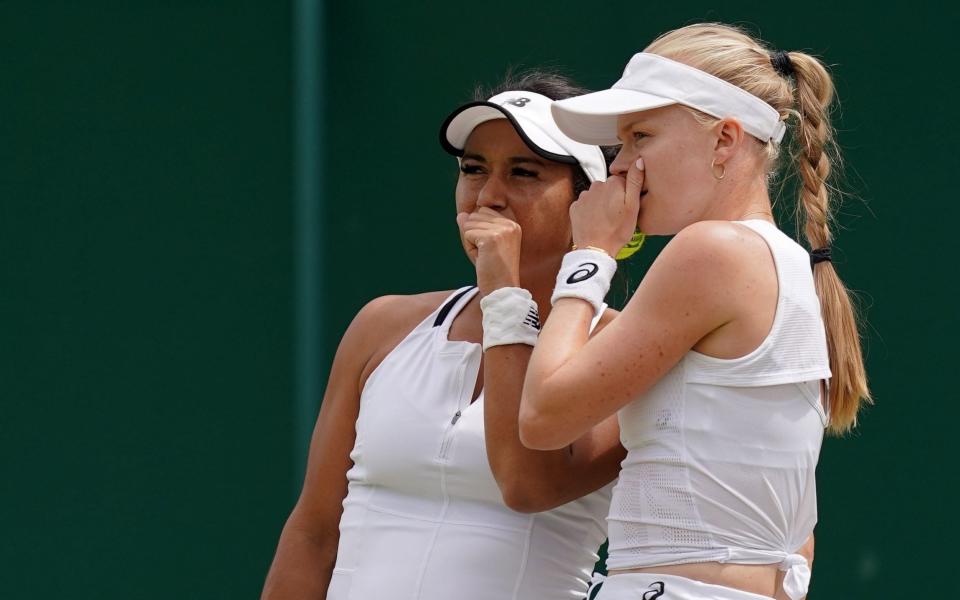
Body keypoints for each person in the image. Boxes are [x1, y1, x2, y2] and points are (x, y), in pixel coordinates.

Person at [513, 23, 870, 600]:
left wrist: (590, 254)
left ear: (724, 140)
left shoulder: (713, 251)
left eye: (641, 136)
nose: (621, 166)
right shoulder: (783, 263)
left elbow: (543, 415)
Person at [260, 72, 629, 600]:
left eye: (523, 173)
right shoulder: (382, 326)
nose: (489, 196)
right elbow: (314, 532)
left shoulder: (625, 347)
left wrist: (506, 293)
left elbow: (528, 484)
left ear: (589, 200)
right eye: (473, 170)